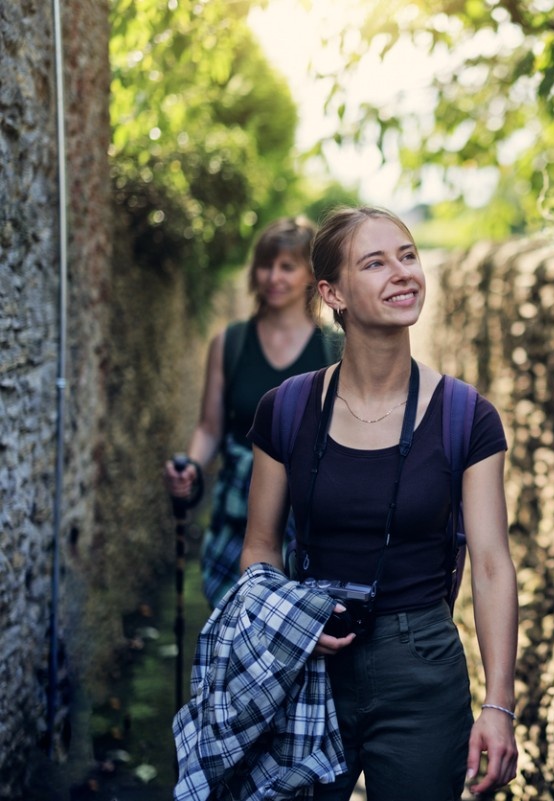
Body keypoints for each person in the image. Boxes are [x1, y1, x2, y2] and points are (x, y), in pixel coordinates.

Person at [239, 206, 519, 799]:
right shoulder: (285, 410)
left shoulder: (468, 417)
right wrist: (290, 622)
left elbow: (492, 564)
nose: (402, 273)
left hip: (422, 667)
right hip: (307, 664)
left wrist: (499, 705)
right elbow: (259, 551)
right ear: (332, 292)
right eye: (375, 262)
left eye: (408, 256)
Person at [164, 216, 340, 606]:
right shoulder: (230, 343)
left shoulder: (334, 348)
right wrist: (191, 468)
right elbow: (210, 429)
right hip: (235, 518)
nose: (273, 276)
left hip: (308, 523)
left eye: (287, 266)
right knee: (234, 635)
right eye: (265, 264)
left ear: (311, 276)